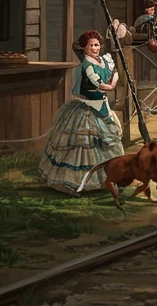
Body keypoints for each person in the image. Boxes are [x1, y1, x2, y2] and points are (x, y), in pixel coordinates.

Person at [40, 30, 123, 192]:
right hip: (87, 107)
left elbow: (115, 73)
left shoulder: (104, 60)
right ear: (84, 48)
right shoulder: (86, 65)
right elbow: (98, 84)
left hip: (102, 106)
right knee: (84, 144)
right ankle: (80, 182)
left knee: (108, 142)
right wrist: (111, 86)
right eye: (91, 45)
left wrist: (113, 81)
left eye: (97, 45)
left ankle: (111, 178)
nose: (95, 48)